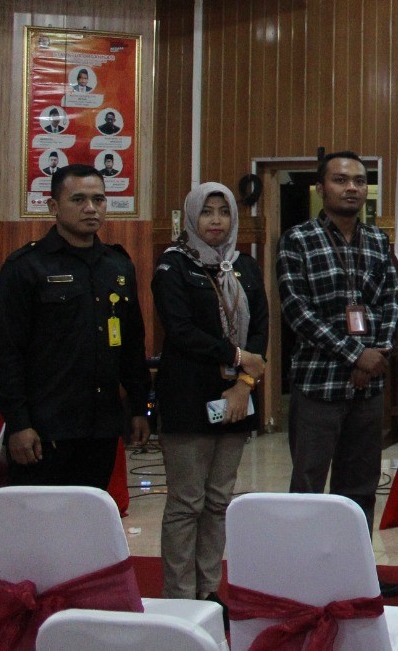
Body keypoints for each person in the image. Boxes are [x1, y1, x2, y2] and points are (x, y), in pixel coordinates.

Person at [277, 151, 398, 598]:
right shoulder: (297, 240)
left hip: (369, 388)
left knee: (360, 488)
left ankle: (356, 577)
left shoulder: (377, 240)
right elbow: (297, 311)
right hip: (318, 385)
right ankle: (303, 581)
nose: (351, 187)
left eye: (359, 180)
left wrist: (376, 353)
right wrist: (355, 355)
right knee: (309, 487)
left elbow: (390, 301)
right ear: (320, 188)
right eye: (340, 179)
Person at [0, 164, 149, 487]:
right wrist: (18, 423)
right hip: (45, 429)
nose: (91, 208)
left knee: (90, 515)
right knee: (39, 518)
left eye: (99, 199)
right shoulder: (26, 267)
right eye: (78, 200)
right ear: (54, 206)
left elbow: (132, 346)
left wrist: (139, 408)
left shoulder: (117, 266)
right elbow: (6, 354)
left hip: (101, 428)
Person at [154, 182, 269, 602]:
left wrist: (244, 383)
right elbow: (181, 330)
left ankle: (207, 592)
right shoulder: (173, 266)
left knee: (219, 501)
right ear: (191, 217)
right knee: (187, 503)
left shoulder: (244, 266)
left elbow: (261, 330)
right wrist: (238, 357)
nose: (216, 220)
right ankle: (180, 597)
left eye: (224, 211)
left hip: (236, 397)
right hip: (188, 398)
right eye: (207, 211)